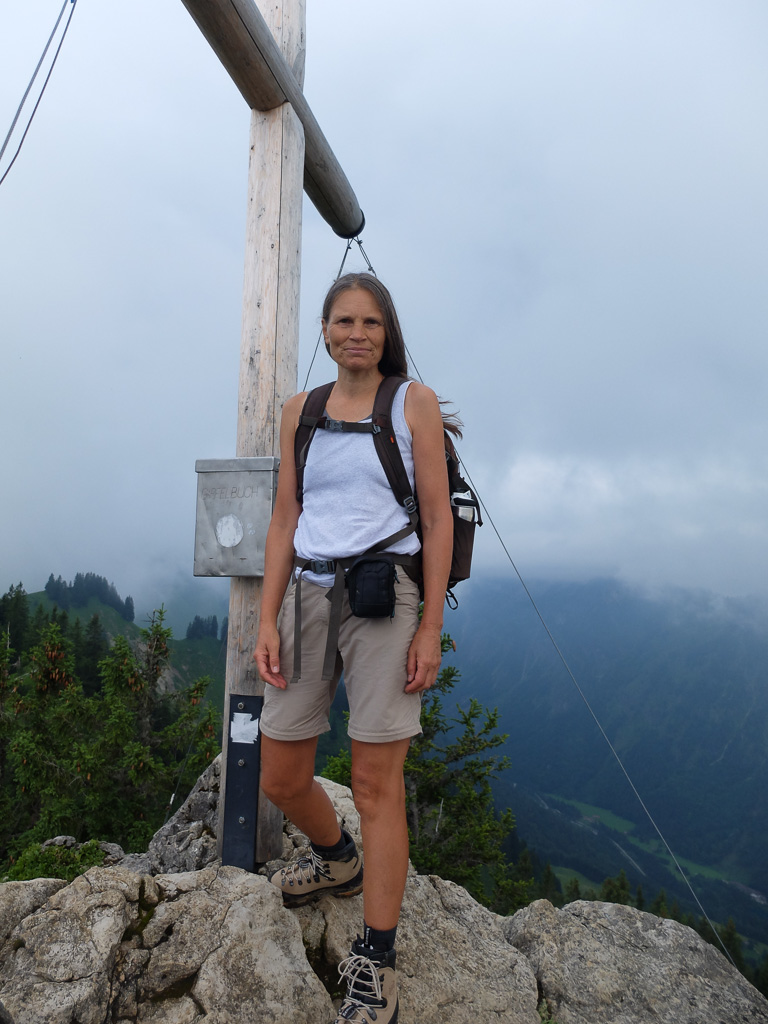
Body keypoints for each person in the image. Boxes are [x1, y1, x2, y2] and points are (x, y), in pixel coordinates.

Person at [254, 272, 453, 1023]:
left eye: (370, 322)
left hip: (385, 594)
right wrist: (266, 618)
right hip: (306, 592)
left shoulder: (411, 403)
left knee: (375, 782)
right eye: (344, 321)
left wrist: (429, 626)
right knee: (281, 774)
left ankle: (376, 957)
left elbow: (436, 517)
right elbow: (285, 517)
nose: (357, 334)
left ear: (386, 331)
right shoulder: (300, 411)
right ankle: (338, 859)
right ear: (326, 331)